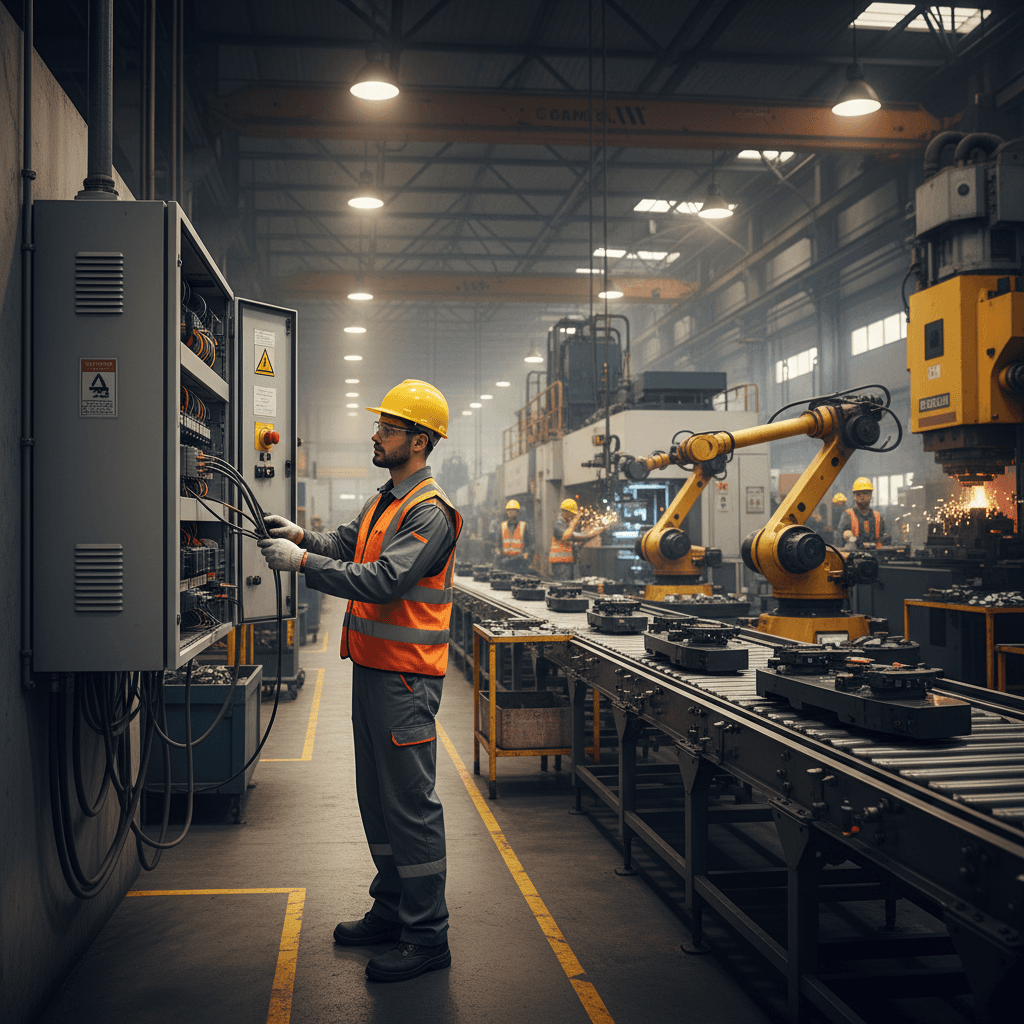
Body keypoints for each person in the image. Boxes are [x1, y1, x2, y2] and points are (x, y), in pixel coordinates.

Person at [257, 379, 461, 984]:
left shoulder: (429, 510)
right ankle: (394, 908)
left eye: (388, 428)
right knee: (378, 800)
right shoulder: (386, 500)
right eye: (379, 426)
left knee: (411, 808)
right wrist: (301, 536)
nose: (376, 435)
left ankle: (428, 937)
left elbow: (383, 580)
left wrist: (303, 566)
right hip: (373, 674)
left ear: (419, 441)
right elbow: (348, 544)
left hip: (404, 682)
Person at [548, 498, 606, 580]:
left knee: (569, 586)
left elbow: (577, 537)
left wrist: (592, 533)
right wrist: (573, 524)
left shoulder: (566, 526)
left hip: (568, 563)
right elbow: (566, 537)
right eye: (572, 514)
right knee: (563, 586)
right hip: (560, 563)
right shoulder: (558, 525)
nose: (573, 516)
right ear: (566, 512)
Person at [841, 477, 888, 549]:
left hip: (876, 556)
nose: (862, 497)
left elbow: (884, 538)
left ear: (871, 494)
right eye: (858, 494)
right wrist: (851, 538)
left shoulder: (877, 516)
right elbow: (841, 538)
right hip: (855, 556)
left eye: (865, 493)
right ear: (854, 496)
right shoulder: (848, 515)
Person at [494, 499, 532, 573]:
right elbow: (498, 544)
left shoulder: (523, 526)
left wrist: (526, 556)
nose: (510, 512)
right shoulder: (502, 526)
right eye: (509, 510)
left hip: (519, 563)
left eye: (513, 510)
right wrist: (498, 556)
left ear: (517, 512)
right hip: (505, 562)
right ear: (506, 512)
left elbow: (529, 544)